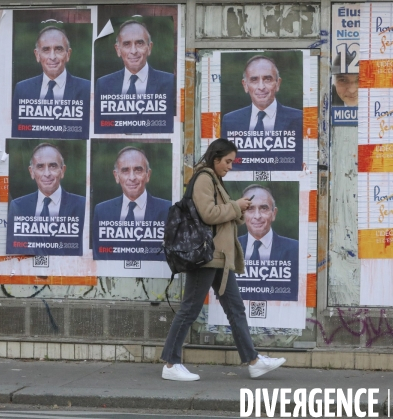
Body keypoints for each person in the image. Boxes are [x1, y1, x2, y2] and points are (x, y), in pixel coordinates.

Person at [161, 139, 286, 381]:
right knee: (189, 309)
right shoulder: (204, 179)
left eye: (232, 161)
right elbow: (208, 214)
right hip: (206, 257)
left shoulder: (215, 180)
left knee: (235, 309)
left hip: (219, 258)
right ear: (215, 158)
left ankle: (254, 361)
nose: (230, 166)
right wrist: (236, 205)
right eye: (227, 161)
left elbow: (224, 213)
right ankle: (170, 363)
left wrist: (239, 207)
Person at [6, 143, 86, 256]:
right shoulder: (18, 206)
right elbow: (13, 251)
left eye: (53, 166)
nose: (47, 174)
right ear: (32, 172)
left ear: (62, 170)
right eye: (40, 167)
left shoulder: (82, 206)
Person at [92, 147, 171, 259]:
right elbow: (99, 257)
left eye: (138, 170)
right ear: (116, 176)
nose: (132, 177)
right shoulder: (102, 211)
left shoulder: (168, 210)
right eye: (125, 170)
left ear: (148, 175)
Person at [220, 56, 303, 139]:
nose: (261, 87)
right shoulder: (230, 121)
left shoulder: (300, 119)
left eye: (267, 79)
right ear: (245, 85)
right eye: (254, 80)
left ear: (278, 83)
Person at [12, 26, 91, 111]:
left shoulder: (87, 88)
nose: (52, 57)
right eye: (46, 50)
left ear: (68, 54)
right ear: (37, 55)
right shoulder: (22, 89)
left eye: (58, 49)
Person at [94, 20, 175, 98]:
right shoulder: (103, 84)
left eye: (139, 43)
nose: (133, 51)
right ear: (118, 50)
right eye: (126, 44)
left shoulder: (170, 82)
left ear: (149, 48)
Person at [238, 185, 298, 262]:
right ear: (242, 214)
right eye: (250, 209)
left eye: (263, 208)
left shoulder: (295, 249)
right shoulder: (231, 248)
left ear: (274, 213)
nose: (257, 216)